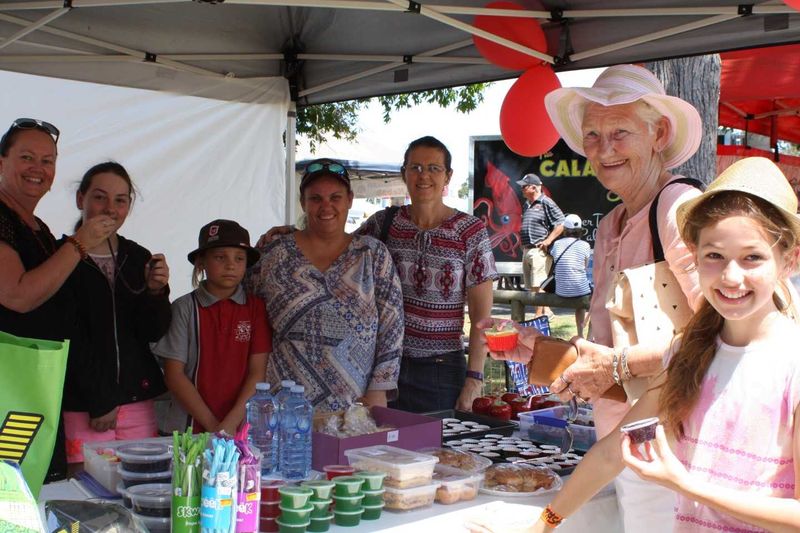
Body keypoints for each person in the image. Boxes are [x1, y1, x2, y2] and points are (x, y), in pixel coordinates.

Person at [494, 157, 800, 533]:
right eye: (714, 256)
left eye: (752, 257)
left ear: (789, 260)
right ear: (695, 256)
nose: (731, 276)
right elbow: (611, 453)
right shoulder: (690, 352)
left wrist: (687, 486)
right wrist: (544, 523)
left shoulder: (792, 365)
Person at [481, 64, 705, 532]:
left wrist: (618, 366)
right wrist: (541, 352)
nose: (604, 149)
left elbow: (716, 336)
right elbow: (611, 355)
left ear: (658, 132)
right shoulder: (610, 225)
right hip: (624, 445)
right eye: (593, 136)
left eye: (619, 132)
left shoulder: (676, 208)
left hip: (676, 452)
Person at [0, 118, 115, 480]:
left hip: (38, 388)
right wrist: (80, 244)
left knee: (31, 483)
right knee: (11, 485)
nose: (38, 169)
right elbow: (16, 295)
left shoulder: (39, 229)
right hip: (11, 390)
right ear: (1, 162)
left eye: (48, 161)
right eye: (27, 157)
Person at [246, 159, 404, 412]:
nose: (326, 206)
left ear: (350, 200)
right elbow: (248, 314)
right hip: (283, 403)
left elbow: (392, 328)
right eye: (315, 198)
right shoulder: (274, 253)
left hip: (355, 405)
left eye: (335, 197)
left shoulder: (372, 254)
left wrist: (379, 390)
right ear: (303, 202)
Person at [356, 137, 497, 413]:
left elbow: (482, 319)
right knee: (380, 452)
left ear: (448, 176)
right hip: (383, 369)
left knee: (438, 453)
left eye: (434, 168)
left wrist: (474, 380)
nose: (424, 176)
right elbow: (336, 248)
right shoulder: (382, 225)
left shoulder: (469, 232)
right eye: (416, 167)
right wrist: (291, 234)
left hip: (441, 371)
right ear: (403, 173)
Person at [61, 162, 171, 463]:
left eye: (120, 200)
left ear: (129, 205)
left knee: (141, 488)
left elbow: (152, 332)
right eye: (99, 197)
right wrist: (99, 400)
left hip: (136, 399)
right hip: (83, 405)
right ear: (80, 199)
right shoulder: (60, 257)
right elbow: (67, 335)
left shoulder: (138, 256)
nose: (110, 208)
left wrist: (155, 292)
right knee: (87, 497)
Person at [153, 219, 270, 434]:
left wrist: (230, 424)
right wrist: (214, 426)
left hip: (238, 429)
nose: (231, 265)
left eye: (239, 258)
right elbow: (174, 375)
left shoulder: (255, 309)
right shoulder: (184, 307)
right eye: (219, 257)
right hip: (187, 429)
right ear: (201, 262)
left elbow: (257, 373)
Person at [518, 173, 564, 317]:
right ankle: (547, 311)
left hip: (539, 250)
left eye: (524, 186)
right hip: (527, 249)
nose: (522, 189)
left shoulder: (546, 202)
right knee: (533, 285)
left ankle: (539, 315)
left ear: (534, 187)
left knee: (539, 284)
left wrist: (548, 241)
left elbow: (561, 223)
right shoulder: (527, 204)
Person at [549, 213, 592, 337]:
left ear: (565, 229)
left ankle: (581, 335)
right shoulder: (585, 245)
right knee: (596, 303)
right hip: (580, 290)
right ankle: (585, 336)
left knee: (581, 297)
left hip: (561, 290)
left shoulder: (556, 244)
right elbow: (584, 266)